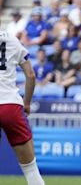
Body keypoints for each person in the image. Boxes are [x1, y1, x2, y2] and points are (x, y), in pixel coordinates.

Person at [0, 31, 45, 185]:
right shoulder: (11, 39)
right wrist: (27, 103)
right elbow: (31, 75)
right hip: (10, 105)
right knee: (30, 168)